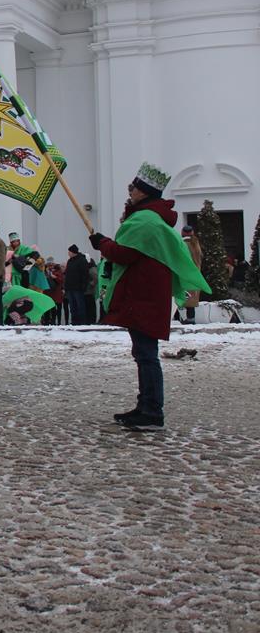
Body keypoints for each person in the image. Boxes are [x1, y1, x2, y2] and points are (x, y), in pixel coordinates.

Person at [89, 162, 210, 431]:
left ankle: (152, 411)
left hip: (143, 296)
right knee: (143, 353)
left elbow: (125, 254)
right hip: (145, 295)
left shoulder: (145, 220)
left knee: (146, 355)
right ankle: (145, 406)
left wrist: (102, 243)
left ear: (144, 192)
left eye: (133, 188)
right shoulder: (151, 217)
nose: (130, 191)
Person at [180, 225, 203, 323]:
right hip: (195, 273)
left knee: (185, 295)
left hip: (185, 272)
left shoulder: (183, 243)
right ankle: (190, 318)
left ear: (183, 232)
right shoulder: (196, 243)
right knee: (191, 296)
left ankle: (189, 319)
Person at [64, 245, 89, 326]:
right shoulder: (70, 261)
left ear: (73, 252)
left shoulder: (82, 260)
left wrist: (83, 286)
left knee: (80, 305)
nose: (68, 253)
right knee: (72, 306)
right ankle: (74, 321)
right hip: (70, 287)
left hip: (78, 288)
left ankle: (82, 322)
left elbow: (85, 274)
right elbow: (67, 275)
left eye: (69, 251)